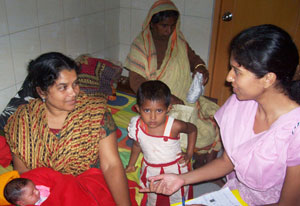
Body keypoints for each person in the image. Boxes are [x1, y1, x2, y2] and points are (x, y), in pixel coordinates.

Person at [139, 24, 300, 205]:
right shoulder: (242, 103)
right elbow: (228, 160)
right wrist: (181, 178)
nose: (229, 77)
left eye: (237, 71)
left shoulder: (295, 131)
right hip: (237, 196)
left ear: (268, 79)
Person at [4, 52, 131, 205]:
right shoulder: (22, 122)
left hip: (90, 191)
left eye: (75, 84)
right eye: (63, 87)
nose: (74, 92)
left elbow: (111, 166)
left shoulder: (96, 114)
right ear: (41, 92)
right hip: (43, 196)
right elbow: (25, 176)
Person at [124, 0, 221, 169]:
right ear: (152, 24)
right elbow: (136, 82)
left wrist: (201, 69)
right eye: (164, 25)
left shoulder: (178, 40)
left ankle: (206, 167)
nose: (169, 30)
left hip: (181, 96)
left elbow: (194, 59)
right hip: (157, 101)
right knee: (193, 132)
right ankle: (197, 163)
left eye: (173, 25)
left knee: (218, 120)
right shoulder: (140, 46)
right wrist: (166, 97)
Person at [125, 80, 197, 205]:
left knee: (177, 198)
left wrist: (190, 153)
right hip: (151, 170)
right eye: (147, 110)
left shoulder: (174, 126)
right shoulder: (136, 126)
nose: (152, 117)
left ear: (168, 108)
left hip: (175, 169)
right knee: (152, 198)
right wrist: (131, 164)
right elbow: (137, 144)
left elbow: (193, 130)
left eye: (159, 111)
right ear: (138, 109)